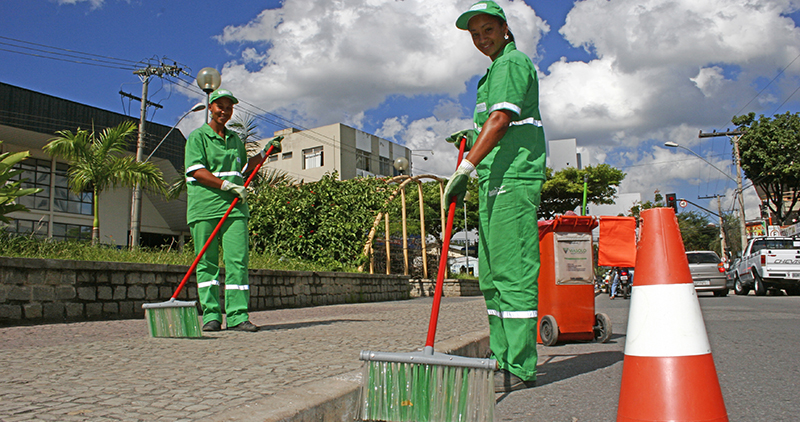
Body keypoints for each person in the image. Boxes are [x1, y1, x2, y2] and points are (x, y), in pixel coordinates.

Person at [445, 0, 547, 393]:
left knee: (513, 273)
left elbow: (502, 120)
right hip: (492, 181)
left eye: (488, 29)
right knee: (490, 276)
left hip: (514, 178)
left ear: (505, 29)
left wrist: (466, 165)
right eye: (474, 34)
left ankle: (519, 366)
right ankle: (501, 355)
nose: (481, 38)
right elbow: (495, 121)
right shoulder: (490, 76)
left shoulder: (512, 63)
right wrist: (470, 139)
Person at [184, 88, 282, 332]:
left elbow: (244, 170)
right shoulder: (198, 138)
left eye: (229, 107)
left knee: (237, 261)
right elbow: (196, 171)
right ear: (211, 107)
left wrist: (263, 153)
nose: (224, 111)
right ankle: (211, 316)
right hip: (204, 207)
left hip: (235, 209)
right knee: (206, 263)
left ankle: (238, 316)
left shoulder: (236, 141)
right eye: (220, 106)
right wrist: (227, 185)